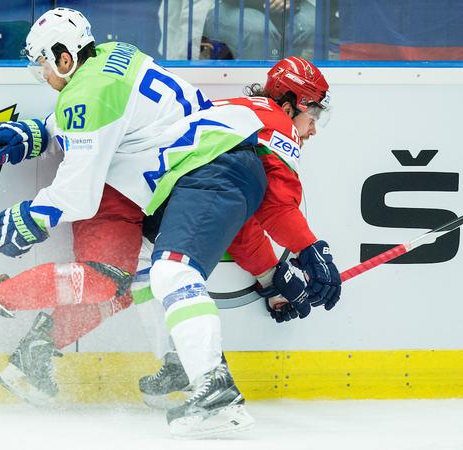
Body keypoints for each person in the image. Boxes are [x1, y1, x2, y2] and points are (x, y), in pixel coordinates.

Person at [0, 6, 270, 438]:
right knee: (120, 282)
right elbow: (99, 120)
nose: (43, 76)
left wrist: (29, 216)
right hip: (161, 183)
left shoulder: (89, 94)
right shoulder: (115, 54)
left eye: (42, 65)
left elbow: (80, 182)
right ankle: (9, 322)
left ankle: (19, 335)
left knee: (146, 280)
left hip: (173, 177)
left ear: (64, 57)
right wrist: (39, 134)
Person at [139, 56, 342, 405]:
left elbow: (230, 207)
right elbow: (266, 204)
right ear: (292, 103)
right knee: (163, 275)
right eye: (315, 115)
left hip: (167, 190)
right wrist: (311, 251)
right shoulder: (277, 120)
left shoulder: (234, 111)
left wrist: (271, 274)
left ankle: (197, 372)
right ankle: (200, 373)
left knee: (160, 277)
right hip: (199, 183)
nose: (313, 129)